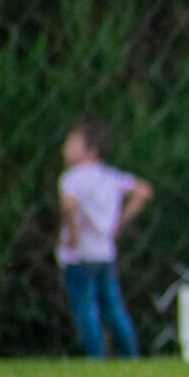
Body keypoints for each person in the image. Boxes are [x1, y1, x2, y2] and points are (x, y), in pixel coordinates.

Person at [56, 121, 152, 359]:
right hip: (104, 252)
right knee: (113, 308)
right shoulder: (110, 176)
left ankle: (96, 357)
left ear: (91, 150)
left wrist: (74, 234)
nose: (65, 149)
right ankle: (130, 354)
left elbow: (68, 205)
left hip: (78, 255)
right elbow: (144, 191)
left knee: (86, 308)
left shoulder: (72, 178)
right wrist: (118, 224)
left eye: (72, 144)